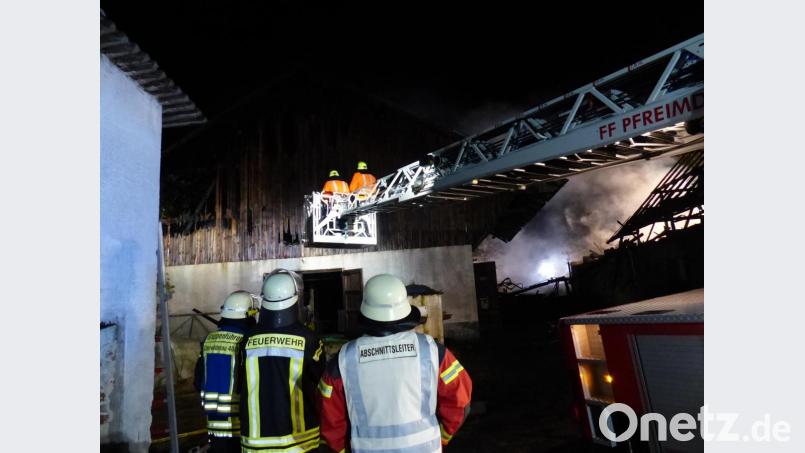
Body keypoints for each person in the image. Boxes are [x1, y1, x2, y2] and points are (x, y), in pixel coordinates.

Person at [318, 274, 473, 453]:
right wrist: (442, 437)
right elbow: (461, 401)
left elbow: (330, 419)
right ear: (405, 310)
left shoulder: (343, 359)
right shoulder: (432, 351)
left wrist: (343, 449)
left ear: (364, 311)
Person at [239, 269, 325, 453]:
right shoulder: (309, 340)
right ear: (295, 298)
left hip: (255, 443)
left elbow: (240, 383)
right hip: (300, 443)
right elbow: (320, 384)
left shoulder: (247, 339)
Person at [194, 290, 257, 452]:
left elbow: (198, 379)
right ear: (248, 315)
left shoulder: (209, 340)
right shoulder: (246, 341)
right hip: (239, 422)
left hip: (214, 422)